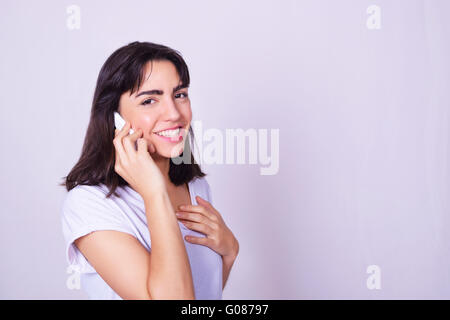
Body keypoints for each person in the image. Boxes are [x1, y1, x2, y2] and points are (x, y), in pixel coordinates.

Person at [59, 41, 239, 300]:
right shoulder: (88, 204)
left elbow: (200, 294)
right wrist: (155, 194)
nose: (174, 113)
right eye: (149, 100)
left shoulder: (196, 187)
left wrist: (230, 253)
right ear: (114, 117)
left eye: (180, 95)